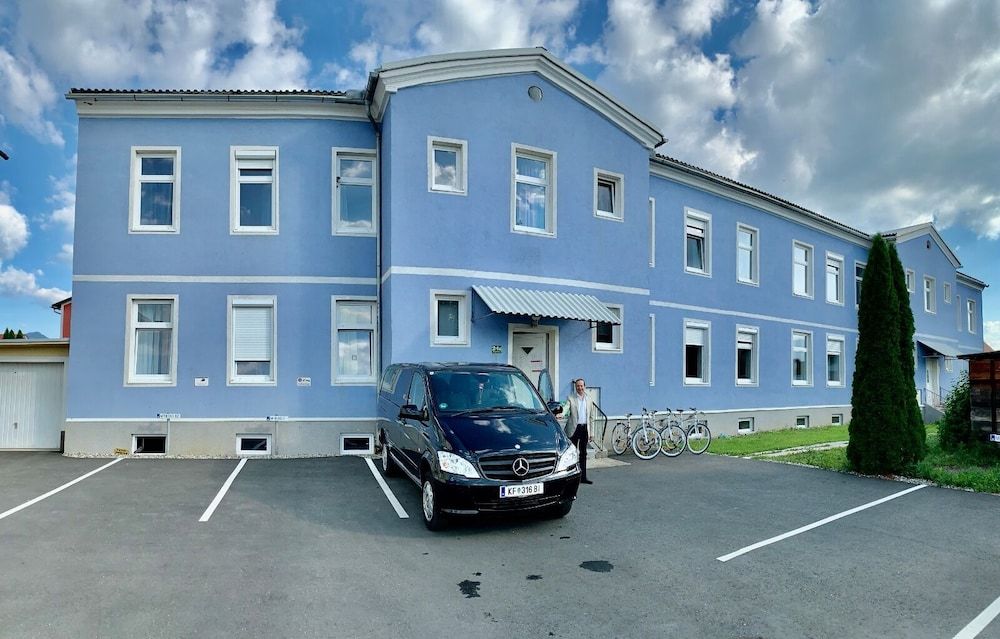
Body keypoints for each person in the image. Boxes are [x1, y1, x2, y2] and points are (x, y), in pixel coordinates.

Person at [563, 378, 595, 484]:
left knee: (583, 453)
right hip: (574, 428)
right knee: (571, 454)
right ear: (575, 387)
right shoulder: (570, 398)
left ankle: (583, 477)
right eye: (578, 386)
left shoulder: (589, 399)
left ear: (584, 387)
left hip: (584, 429)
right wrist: (561, 413)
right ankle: (571, 478)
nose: (579, 388)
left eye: (581, 386)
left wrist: (591, 433)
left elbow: (591, 418)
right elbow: (566, 407)